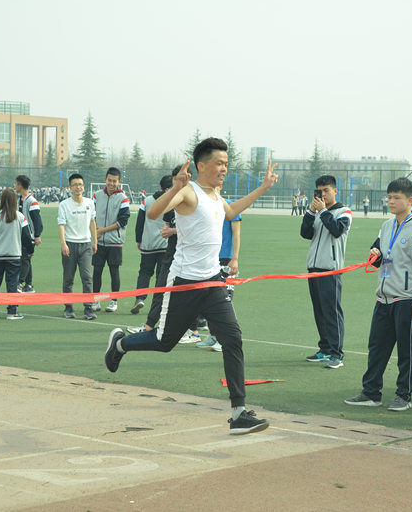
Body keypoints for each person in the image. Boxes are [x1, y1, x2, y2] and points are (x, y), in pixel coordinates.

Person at [105, 137, 279, 435]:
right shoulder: (188, 191)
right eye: (219, 163)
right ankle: (121, 344)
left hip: (212, 282)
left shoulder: (215, 195)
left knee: (233, 339)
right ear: (202, 165)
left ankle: (238, 413)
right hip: (184, 283)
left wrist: (263, 188)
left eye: (226, 163)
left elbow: (230, 212)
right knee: (164, 342)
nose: (224, 168)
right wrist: (175, 187)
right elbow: (153, 213)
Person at [345, 177, 412, 411]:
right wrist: (375, 255)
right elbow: (378, 260)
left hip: (406, 299)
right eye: (389, 197)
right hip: (383, 298)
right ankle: (371, 392)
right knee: (377, 348)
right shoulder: (386, 226)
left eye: (397, 198)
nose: (391, 201)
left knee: (406, 351)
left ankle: (404, 395)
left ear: (410, 200)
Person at [126, 167, 201, 344]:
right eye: (176, 179)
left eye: (183, 178)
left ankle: (194, 330)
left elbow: (197, 230)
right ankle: (149, 327)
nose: (179, 182)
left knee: (191, 294)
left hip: (191, 257)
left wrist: (173, 231)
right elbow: (162, 220)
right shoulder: (172, 201)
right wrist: (166, 230)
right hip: (172, 254)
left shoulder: (196, 201)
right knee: (160, 289)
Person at [300, 175, 352, 369]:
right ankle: (325, 349)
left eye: (326, 190)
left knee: (331, 312)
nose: (322, 194)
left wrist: (322, 211)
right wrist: (311, 212)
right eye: (319, 191)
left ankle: (336, 353)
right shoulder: (318, 212)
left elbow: (337, 230)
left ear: (335, 191)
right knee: (319, 311)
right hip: (313, 268)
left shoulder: (344, 212)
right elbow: (305, 233)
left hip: (330, 269)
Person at [0, 189, 34, 320]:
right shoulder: (20, 216)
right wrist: (30, 251)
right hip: (13, 255)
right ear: (15, 201)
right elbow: (27, 236)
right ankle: (12, 311)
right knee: (12, 284)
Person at [197, 210, 241, 352]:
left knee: (224, 299)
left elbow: (236, 234)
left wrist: (234, 258)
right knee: (209, 298)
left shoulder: (231, 209)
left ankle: (225, 340)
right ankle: (214, 336)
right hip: (210, 258)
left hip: (226, 259)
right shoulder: (208, 206)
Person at [58, 173, 98, 320]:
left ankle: (89, 309)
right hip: (70, 244)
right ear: (70, 187)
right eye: (75, 185)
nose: (78, 187)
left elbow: (92, 222)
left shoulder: (90, 203)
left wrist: (95, 241)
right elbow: (61, 225)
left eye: (80, 184)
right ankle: (68, 308)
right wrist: (63, 244)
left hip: (85, 245)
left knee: (87, 277)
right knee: (68, 278)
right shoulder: (64, 204)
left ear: (84, 186)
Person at [131, 175, 172, 315]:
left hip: (148, 244)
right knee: (161, 276)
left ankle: (140, 298)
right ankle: (158, 304)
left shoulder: (147, 201)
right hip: (165, 244)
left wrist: (138, 240)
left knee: (144, 272)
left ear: (160, 187)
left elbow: (140, 222)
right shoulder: (173, 200)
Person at [92, 167, 129, 313]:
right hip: (99, 242)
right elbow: (91, 216)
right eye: (109, 180)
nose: (111, 183)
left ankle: (114, 301)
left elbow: (123, 221)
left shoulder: (123, 198)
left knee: (114, 272)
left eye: (114, 181)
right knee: (97, 271)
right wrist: (95, 231)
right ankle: (96, 300)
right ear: (105, 180)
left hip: (115, 242)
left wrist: (102, 230)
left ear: (119, 182)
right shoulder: (97, 196)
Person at [15, 175, 43, 294]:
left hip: (29, 235)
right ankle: (29, 285)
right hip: (20, 235)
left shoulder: (32, 202)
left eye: (16, 184)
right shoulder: (19, 200)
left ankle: (19, 283)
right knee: (27, 260)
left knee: (25, 259)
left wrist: (37, 235)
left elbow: (37, 221)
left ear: (20, 185)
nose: (15, 186)